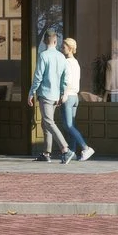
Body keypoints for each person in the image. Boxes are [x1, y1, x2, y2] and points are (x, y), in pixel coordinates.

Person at [30, 31, 75, 162]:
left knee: (49, 122)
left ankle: (65, 149)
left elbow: (38, 77)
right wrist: (62, 93)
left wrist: (31, 93)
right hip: (55, 96)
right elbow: (64, 79)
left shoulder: (43, 55)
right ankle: (46, 153)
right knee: (45, 123)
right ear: (55, 42)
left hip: (45, 94)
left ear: (44, 41)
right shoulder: (62, 57)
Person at [58, 36, 96, 162]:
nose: (61, 48)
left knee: (68, 125)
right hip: (75, 97)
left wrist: (64, 94)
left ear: (70, 48)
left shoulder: (67, 62)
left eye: (63, 47)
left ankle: (85, 148)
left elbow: (67, 80)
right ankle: (72, 152)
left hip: (68, 96)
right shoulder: (76, 62)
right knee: (71, 125)